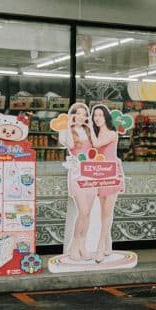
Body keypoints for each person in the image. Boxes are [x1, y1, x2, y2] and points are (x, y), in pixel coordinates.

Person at [58, 103, 97, 261]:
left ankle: (82, 245)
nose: (81, 117)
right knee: (83, 211)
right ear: (72, 115)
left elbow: (97, 145)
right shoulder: (66, 131)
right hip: (77, 175)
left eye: (84, 114)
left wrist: (91, 126)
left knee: (88, 214)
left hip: (91, 174)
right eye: (78, 114)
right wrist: (69, 123)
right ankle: (74, 245)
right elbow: (71, 145)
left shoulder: (88, 131)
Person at [90, 104, 125, 261]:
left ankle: (100, 247)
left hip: (111, 175)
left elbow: (97, 144)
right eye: (94, 115)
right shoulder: (96, 134)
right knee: (103, 212)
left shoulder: (111, 133)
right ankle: (107, 245)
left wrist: (89, 127)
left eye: (100, 115)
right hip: (99, 174)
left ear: (106, 117)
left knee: (107, 212)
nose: (97, 118)